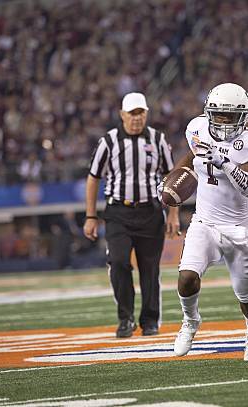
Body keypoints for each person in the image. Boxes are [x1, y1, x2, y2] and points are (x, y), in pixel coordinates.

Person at [160, 83, 248, 360]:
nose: (222, 121)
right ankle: (190, 320)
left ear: (244, 117)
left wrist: (226, 163)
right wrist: (173, 180)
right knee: (186, 278)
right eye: (218, 114)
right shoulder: (196, 129)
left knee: (247, 298)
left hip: (239, 228)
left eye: (228, 116)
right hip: (205, 222)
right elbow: (189, 160)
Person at [84, 92, 180, 338]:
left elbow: (172, 177)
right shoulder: (109, 141)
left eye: (141, 113)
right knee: (118, 262)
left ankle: (150, 320)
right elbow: (93, 177)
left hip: (150, 211)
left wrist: (173, 214)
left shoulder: (158, 139)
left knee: (150, 269)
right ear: (122, 115)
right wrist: (90, 216)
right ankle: (125, 317)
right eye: (132, 113)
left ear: (146, 114)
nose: (137, 118)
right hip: (119, 211)